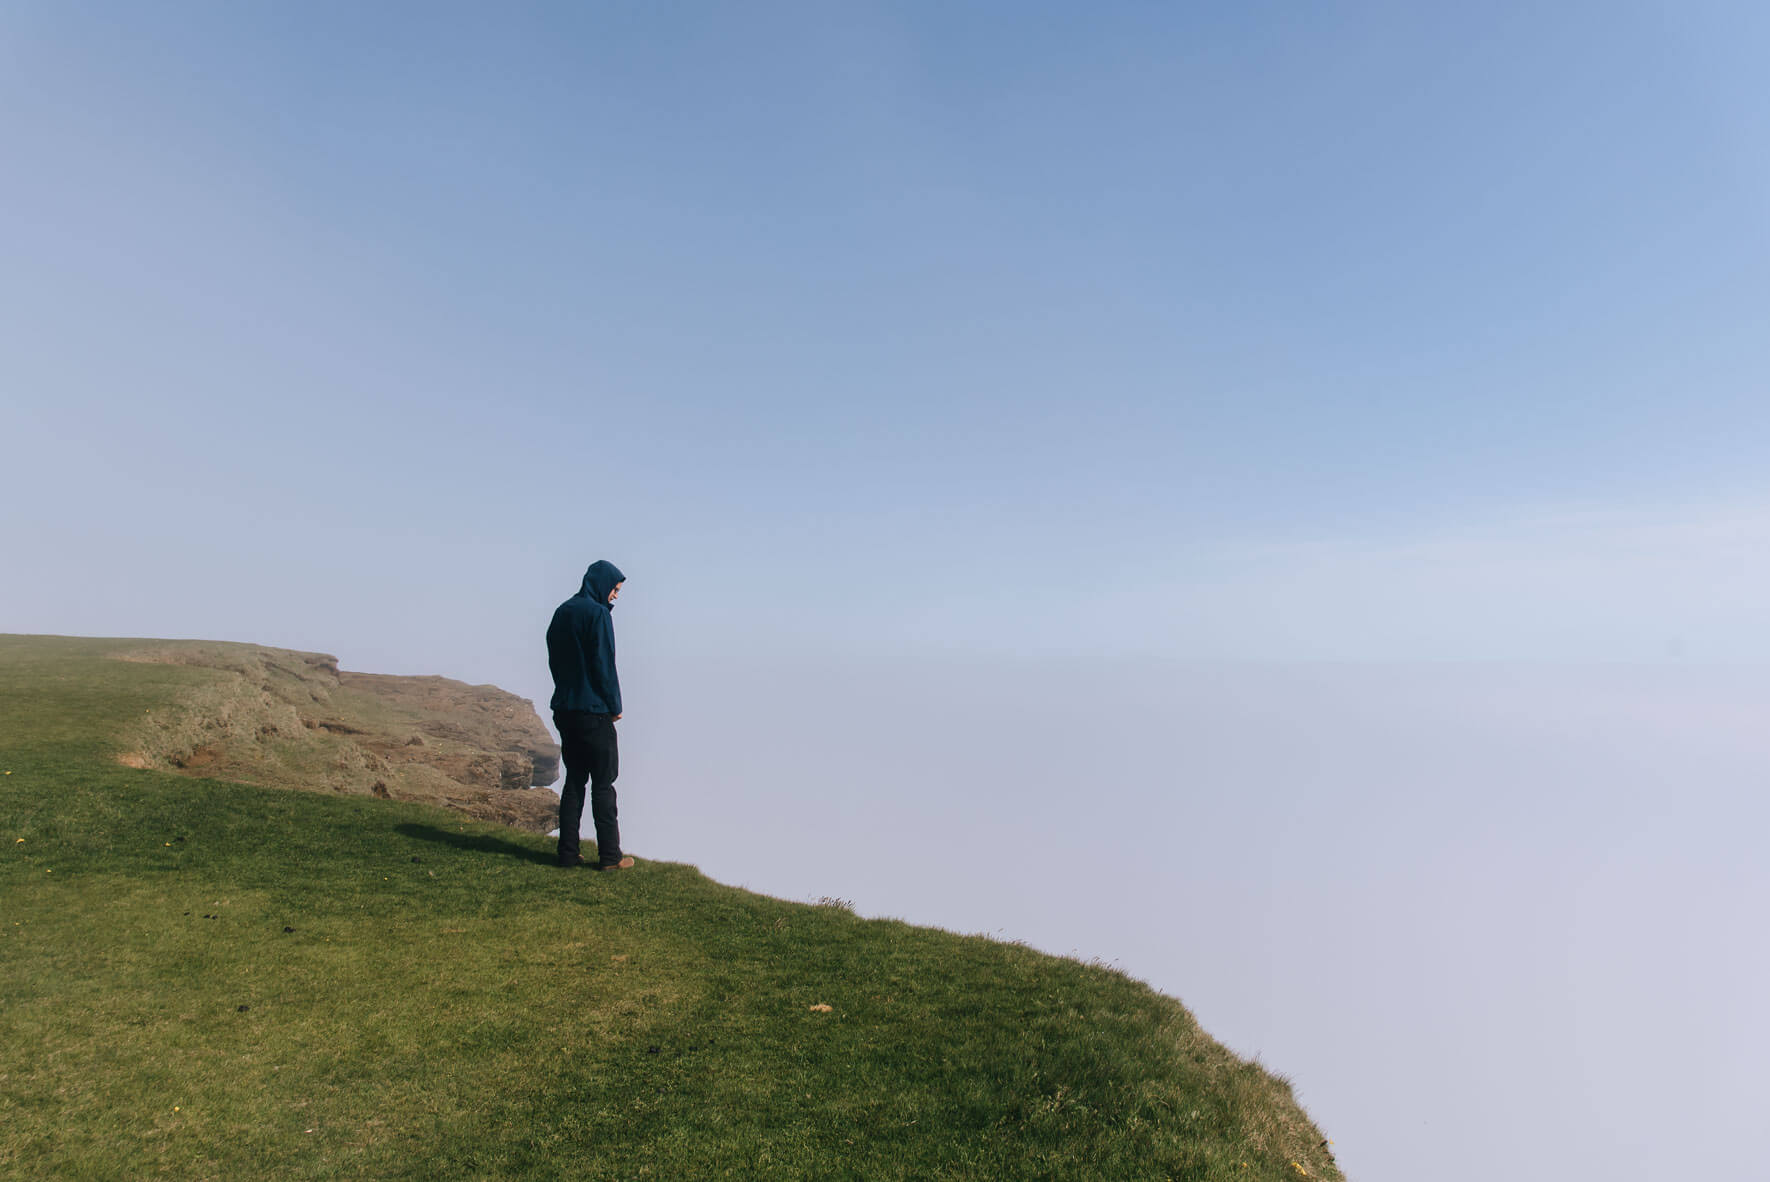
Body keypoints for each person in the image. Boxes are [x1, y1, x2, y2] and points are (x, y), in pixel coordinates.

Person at [545, 560, 634, 870]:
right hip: (594, 712)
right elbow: (603, 665)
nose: (615, 596)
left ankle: (567, 853)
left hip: (565, 709)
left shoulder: (563, 611)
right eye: (614, 589)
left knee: (574, 782)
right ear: (601, 584)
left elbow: (554, 657)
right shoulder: (597, 615)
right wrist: (615, 706)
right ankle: (610, 857)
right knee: (604, 784)